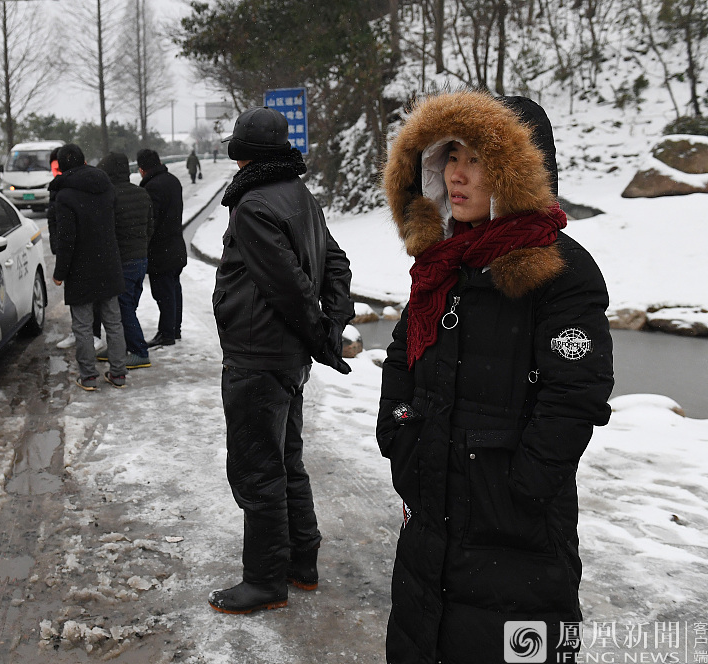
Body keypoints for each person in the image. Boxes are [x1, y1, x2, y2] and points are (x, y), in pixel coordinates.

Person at [376, 90, 614, 663]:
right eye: (451, 155)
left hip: (519, 538)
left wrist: (521, 490)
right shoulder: (443, 264)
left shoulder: (561, 270)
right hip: (430, 517)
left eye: (477, 159)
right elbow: (402, 359)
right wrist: (400, 437)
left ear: (518, 173)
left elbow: (575, 396)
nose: (457, 174)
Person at [209, 106, 354, 615]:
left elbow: (286, 286)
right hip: (284, 355)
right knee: (286, 460)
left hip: (259, 354)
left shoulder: (253, 203)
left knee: (257, 470)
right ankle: (301, 563)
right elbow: (336, 263)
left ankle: (265, 581)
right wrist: (331, 325)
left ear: (242, 153)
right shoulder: (298, 195)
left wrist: (323, 336)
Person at [50, 143, 128, 390]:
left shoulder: (65, 196)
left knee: (82, 325)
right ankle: (118, 374)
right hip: (109, 263)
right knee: (113, 323)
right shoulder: (106, 186)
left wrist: (60, 272)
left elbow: (66, 239)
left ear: (61, 167)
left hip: (81, 269)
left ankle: (89, 376)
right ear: (84, 161)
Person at [98, 152, 155, 370]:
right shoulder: (142, 193)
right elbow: (150, 227)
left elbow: (107, 232)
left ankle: (140, 352)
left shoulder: (110, 196)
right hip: (140, 258)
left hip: (122, 260)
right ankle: (119, 347)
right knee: (128, 305)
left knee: (123, 308)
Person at [137, 149, 186, 349]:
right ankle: (175, 329)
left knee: (164, 293)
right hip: (175, 245)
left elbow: (152, 221)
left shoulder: (152, 187)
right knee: (174, 289)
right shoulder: (172, 180)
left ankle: (166, 334)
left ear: (141, 169)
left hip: (161, 250)